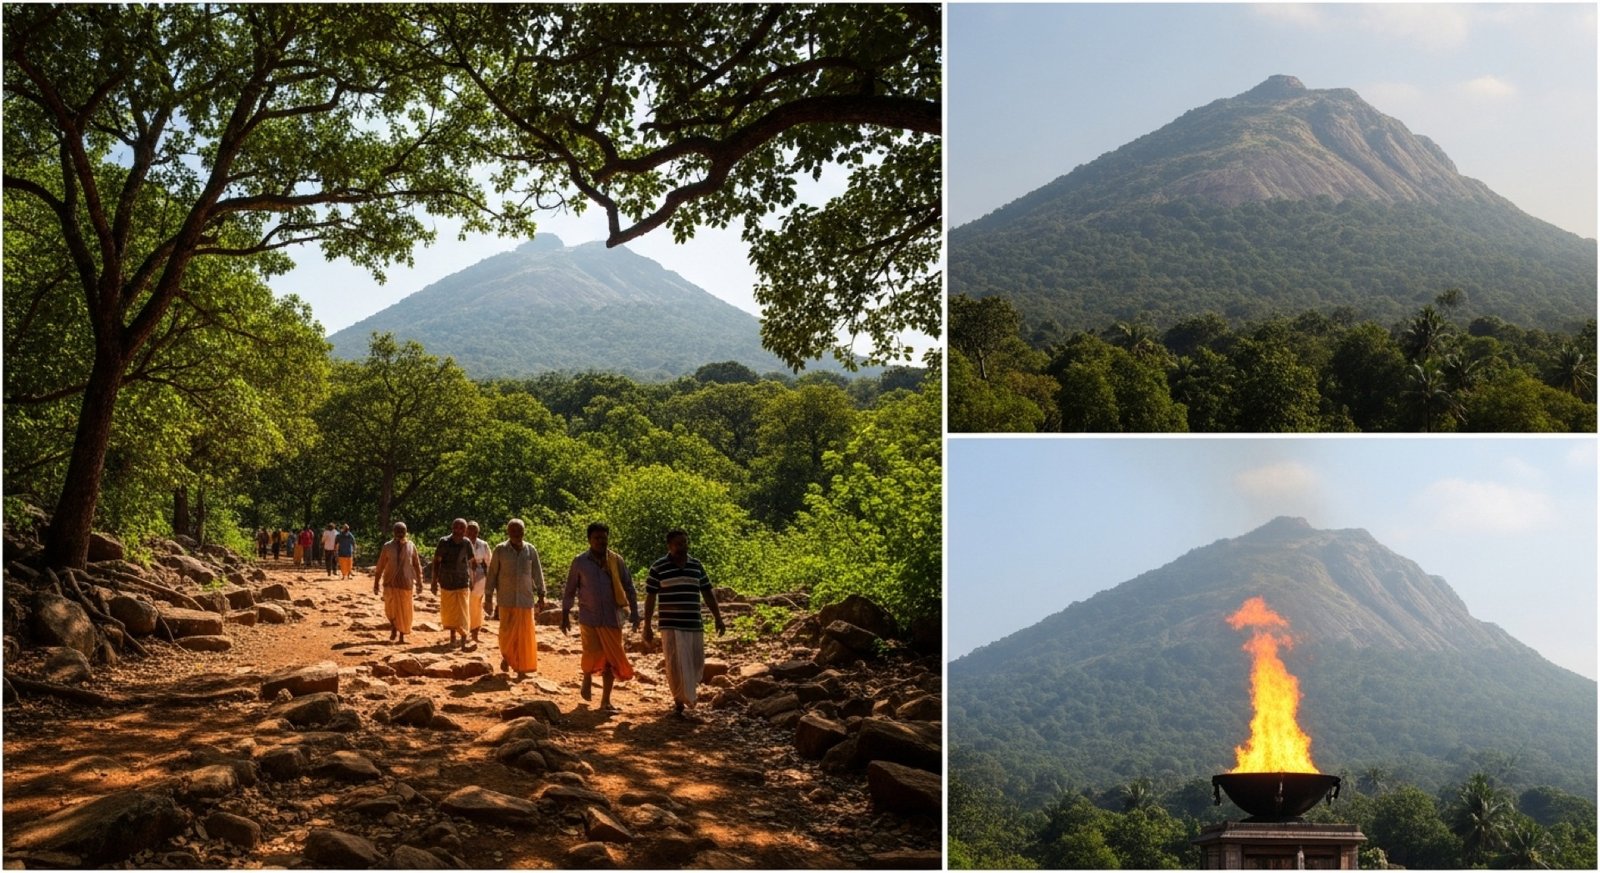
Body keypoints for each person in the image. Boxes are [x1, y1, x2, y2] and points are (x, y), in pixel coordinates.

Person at [643, 529, 726, 718]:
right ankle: (679, 702)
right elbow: (650, 597)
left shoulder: (696, 566)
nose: (683, 547)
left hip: (693, 623)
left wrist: (718, 618)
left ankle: (687, 695)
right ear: (669, 546)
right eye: (678, 544)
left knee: (696, 663)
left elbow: (707, 592)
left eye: (685, 543)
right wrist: (647, 625)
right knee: (676, 664)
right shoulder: (658, 567)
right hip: (671, 625)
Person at [561, 522, 639, 712]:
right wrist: (564, 615)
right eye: (596, 538)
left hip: (612, 618)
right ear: (589, 540)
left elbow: (629, 587)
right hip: (589, 617)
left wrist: (636, 612)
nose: (600, 542)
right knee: (591, 652)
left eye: (604, 538)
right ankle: (587, 675)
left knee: (612, 659)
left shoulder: (616, 560)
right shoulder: (579, 561)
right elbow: (570, 590)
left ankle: (605, 701)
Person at [486, 518, 545, 679]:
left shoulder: (530, 550)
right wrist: (488, 597)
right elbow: (492, 575)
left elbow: (537, 573)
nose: (517, 534)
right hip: (506, 600)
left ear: (524, 532)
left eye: (520, 531)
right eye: (513, 531)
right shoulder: (500, 550)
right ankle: (507, 656)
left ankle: (521, 669)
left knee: (524, 636)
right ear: (508, 532)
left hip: (525, 600)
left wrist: (541, 594)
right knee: (506, 633)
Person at [372, 522, 423, 644]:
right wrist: (376, 583)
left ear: (406, 532)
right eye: (397, 531)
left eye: (402, 531)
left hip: (406, 584)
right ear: (393, 532)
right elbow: (380, 566)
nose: (400, 533)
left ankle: (401, 636)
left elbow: (416, 564)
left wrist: (420, 581)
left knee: (404, 612)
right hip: (390, 583)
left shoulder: (411, 546)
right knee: (390, 610)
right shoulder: (387, 546)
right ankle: (394, 627)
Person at [432, 518, 475, 650]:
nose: (458, 530)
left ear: (465, 530)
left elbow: (471, 562)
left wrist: (472, 580)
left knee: (463, 612)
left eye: (461, 528)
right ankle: (452, 638)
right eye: (456, 527)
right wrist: (434, 581)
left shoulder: (467, 543)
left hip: (462, 581)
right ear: (452, 528)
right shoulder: (444, 542)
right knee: (450, 612)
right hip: (447, 581)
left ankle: (463, 641)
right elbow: (436, 562)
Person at [466, 521, 492, 644]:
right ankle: (463, 631)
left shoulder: (483, 544)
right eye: (470, 530)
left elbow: (489, 563)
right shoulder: (461, 543)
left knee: (476, 603)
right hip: (464, 574)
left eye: (475, 531)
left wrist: (490, 583)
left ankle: (475, 631)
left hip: (480, 576)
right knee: (465, 603)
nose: (472, 533)